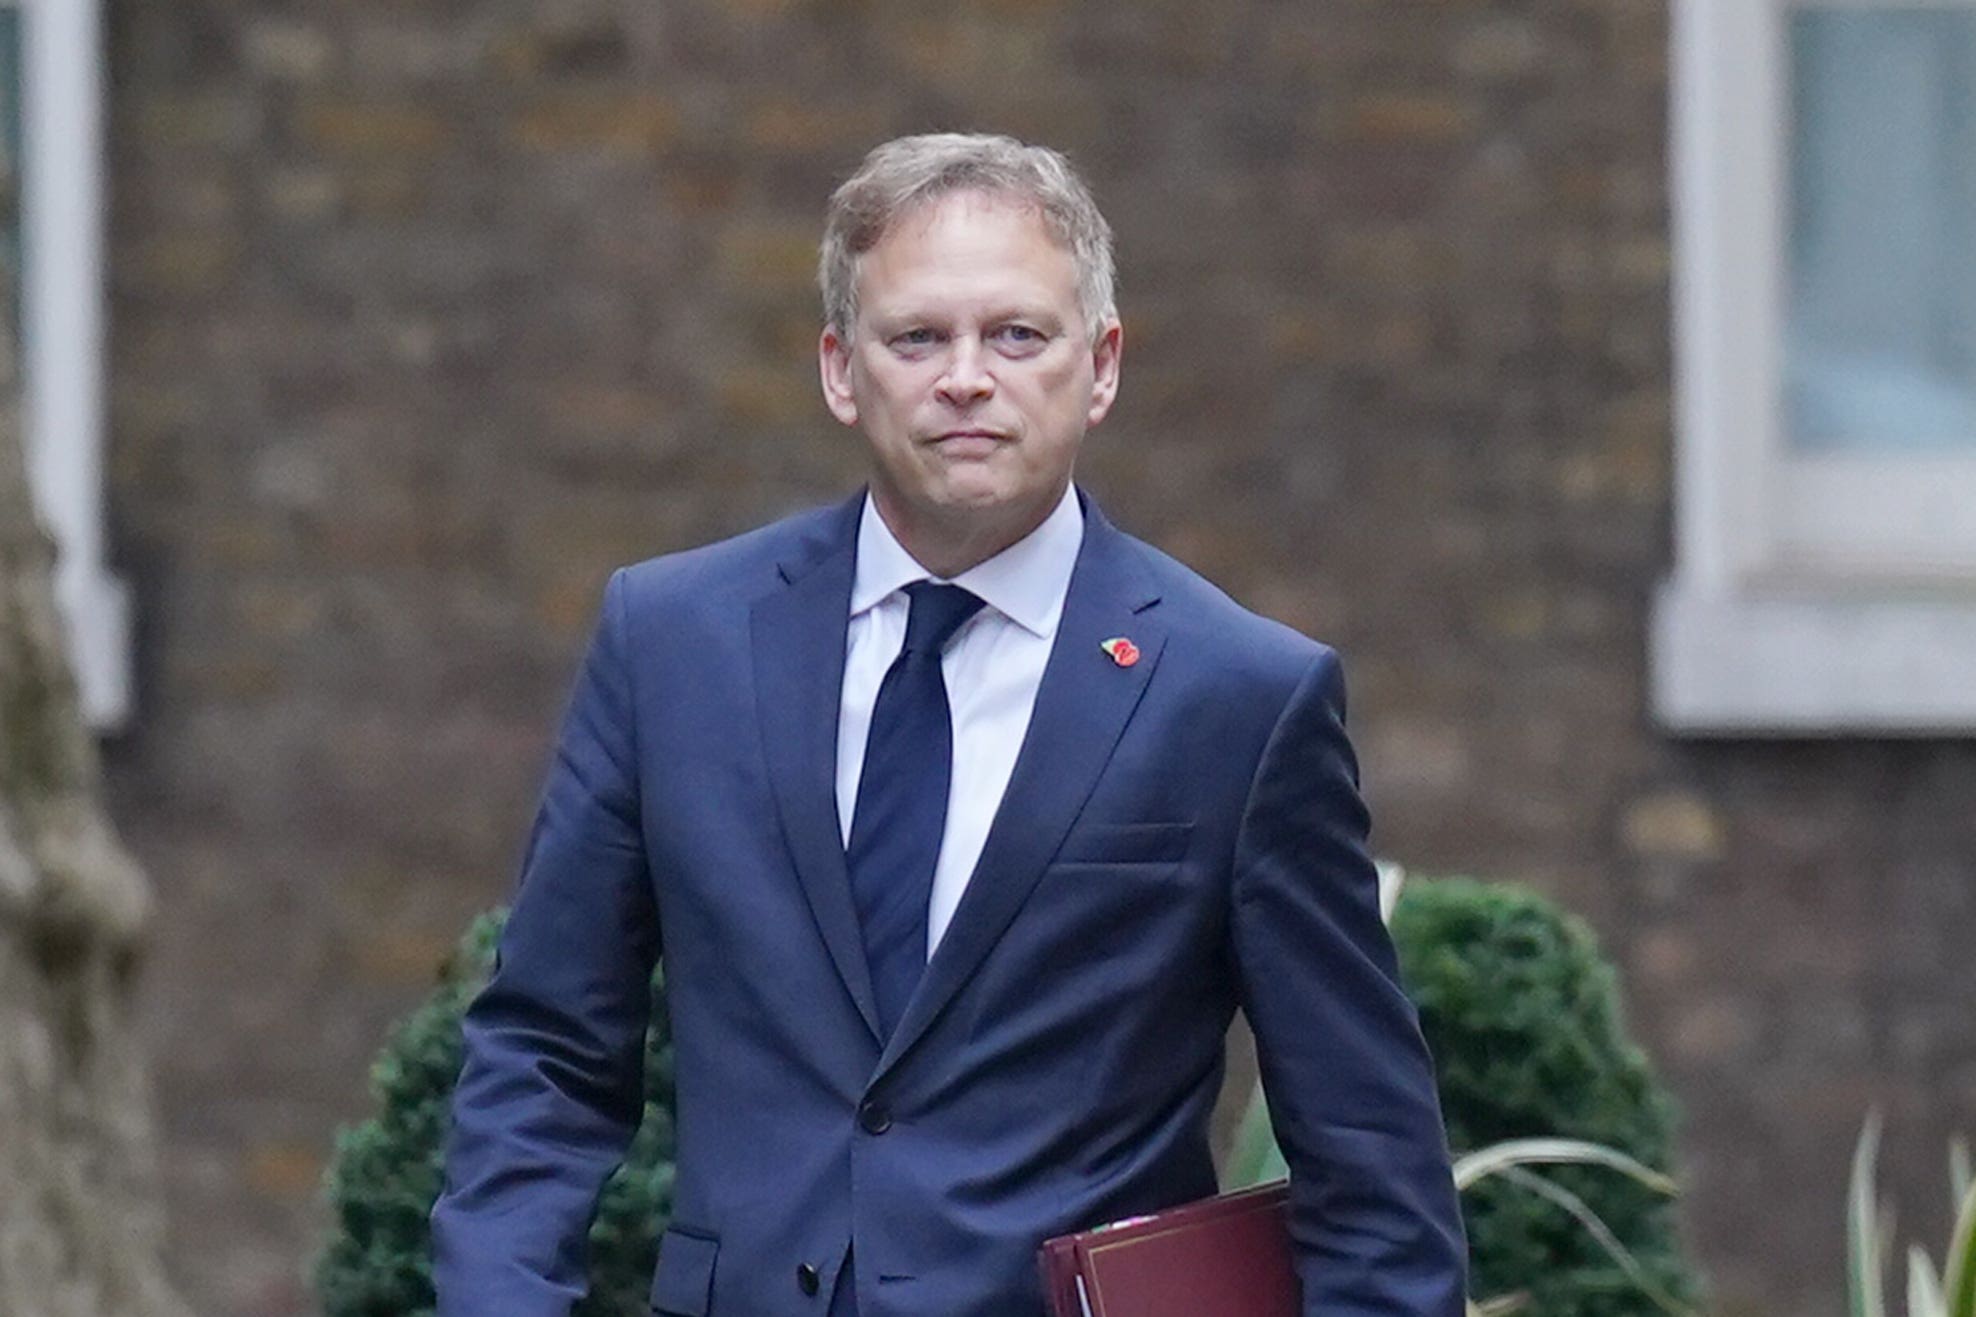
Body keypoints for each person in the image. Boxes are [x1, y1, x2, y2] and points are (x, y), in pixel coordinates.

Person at [432, 132, 1466, 1317]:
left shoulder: (1235, 697)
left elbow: (1367, 1158)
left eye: (1015, 335)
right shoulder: (674, 643)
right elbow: (545, 1054)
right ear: (838, 368)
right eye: (916, 337)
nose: (965, 377)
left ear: (1101, 364)